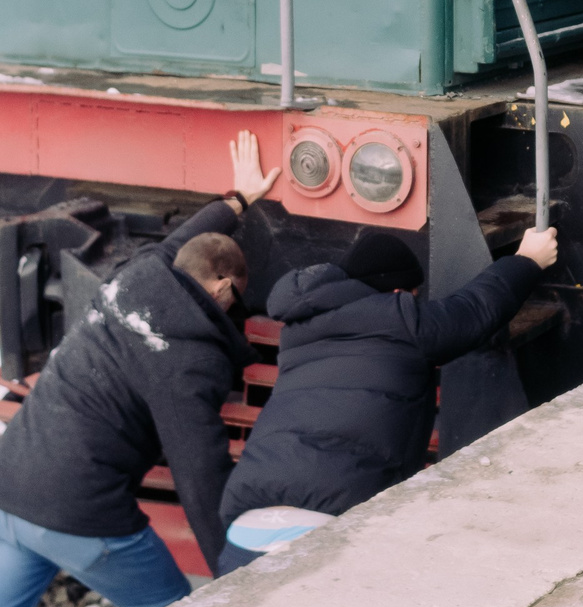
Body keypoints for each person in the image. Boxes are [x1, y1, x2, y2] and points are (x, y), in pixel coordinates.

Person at [0, 139, 276, 607]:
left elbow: (180, 243)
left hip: (0, 496)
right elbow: (201, 475)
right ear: (221, 290)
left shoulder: (136, 276)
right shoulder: (190, 362)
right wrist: (235, 573)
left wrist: (238, 199)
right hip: (81, 515)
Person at [215, 220, 556, 570]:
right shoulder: (398, 318)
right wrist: (528, 260)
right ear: (396, 292)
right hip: (325, 529)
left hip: (244, 529)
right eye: (414, 294)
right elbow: (473, 310)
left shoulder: (299, 334)